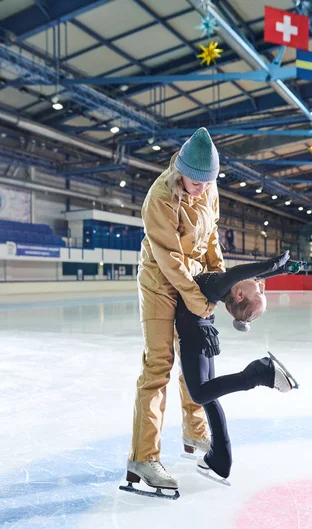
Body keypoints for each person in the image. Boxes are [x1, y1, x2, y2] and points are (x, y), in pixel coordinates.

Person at [120, 251, 305, 498]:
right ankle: (219, 457)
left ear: (239, 295)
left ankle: (260, 373)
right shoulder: (223, 286)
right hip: (203, 334)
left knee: (199, 394)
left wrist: (274, 265)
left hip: (195, 339)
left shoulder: (221, 283)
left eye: (259, 292)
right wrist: (283, 270)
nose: (261, 285)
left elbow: (243, 273)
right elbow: (252, 275)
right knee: (209, 396)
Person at [126, 127, 225, 493]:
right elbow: (169, 259)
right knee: (158, 366)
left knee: (193, 359)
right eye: (196, 182)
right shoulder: (159, 199)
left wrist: (218, 280)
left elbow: (212, 236)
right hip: (159, 282)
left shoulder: (209, 190)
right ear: (180, 170)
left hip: (193, 279)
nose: (202, 189)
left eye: (208, 183)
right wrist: (200, 300)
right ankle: (143, 457)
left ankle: (194, 432)